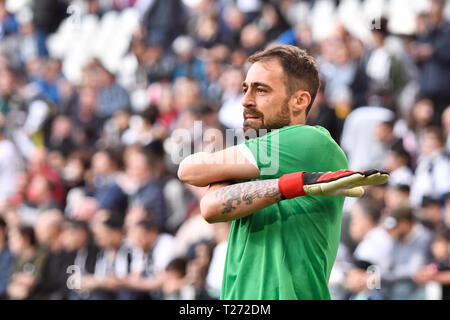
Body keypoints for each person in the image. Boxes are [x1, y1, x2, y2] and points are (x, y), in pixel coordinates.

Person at [178, 45, 387, 300]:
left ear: (300, 100)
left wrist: (287, 184)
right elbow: (209, 205)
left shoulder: (307, 139)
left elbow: (192, 170)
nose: (246, 100)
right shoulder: (259, 155)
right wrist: (294, 184)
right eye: (245, 89)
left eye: (261, 90)